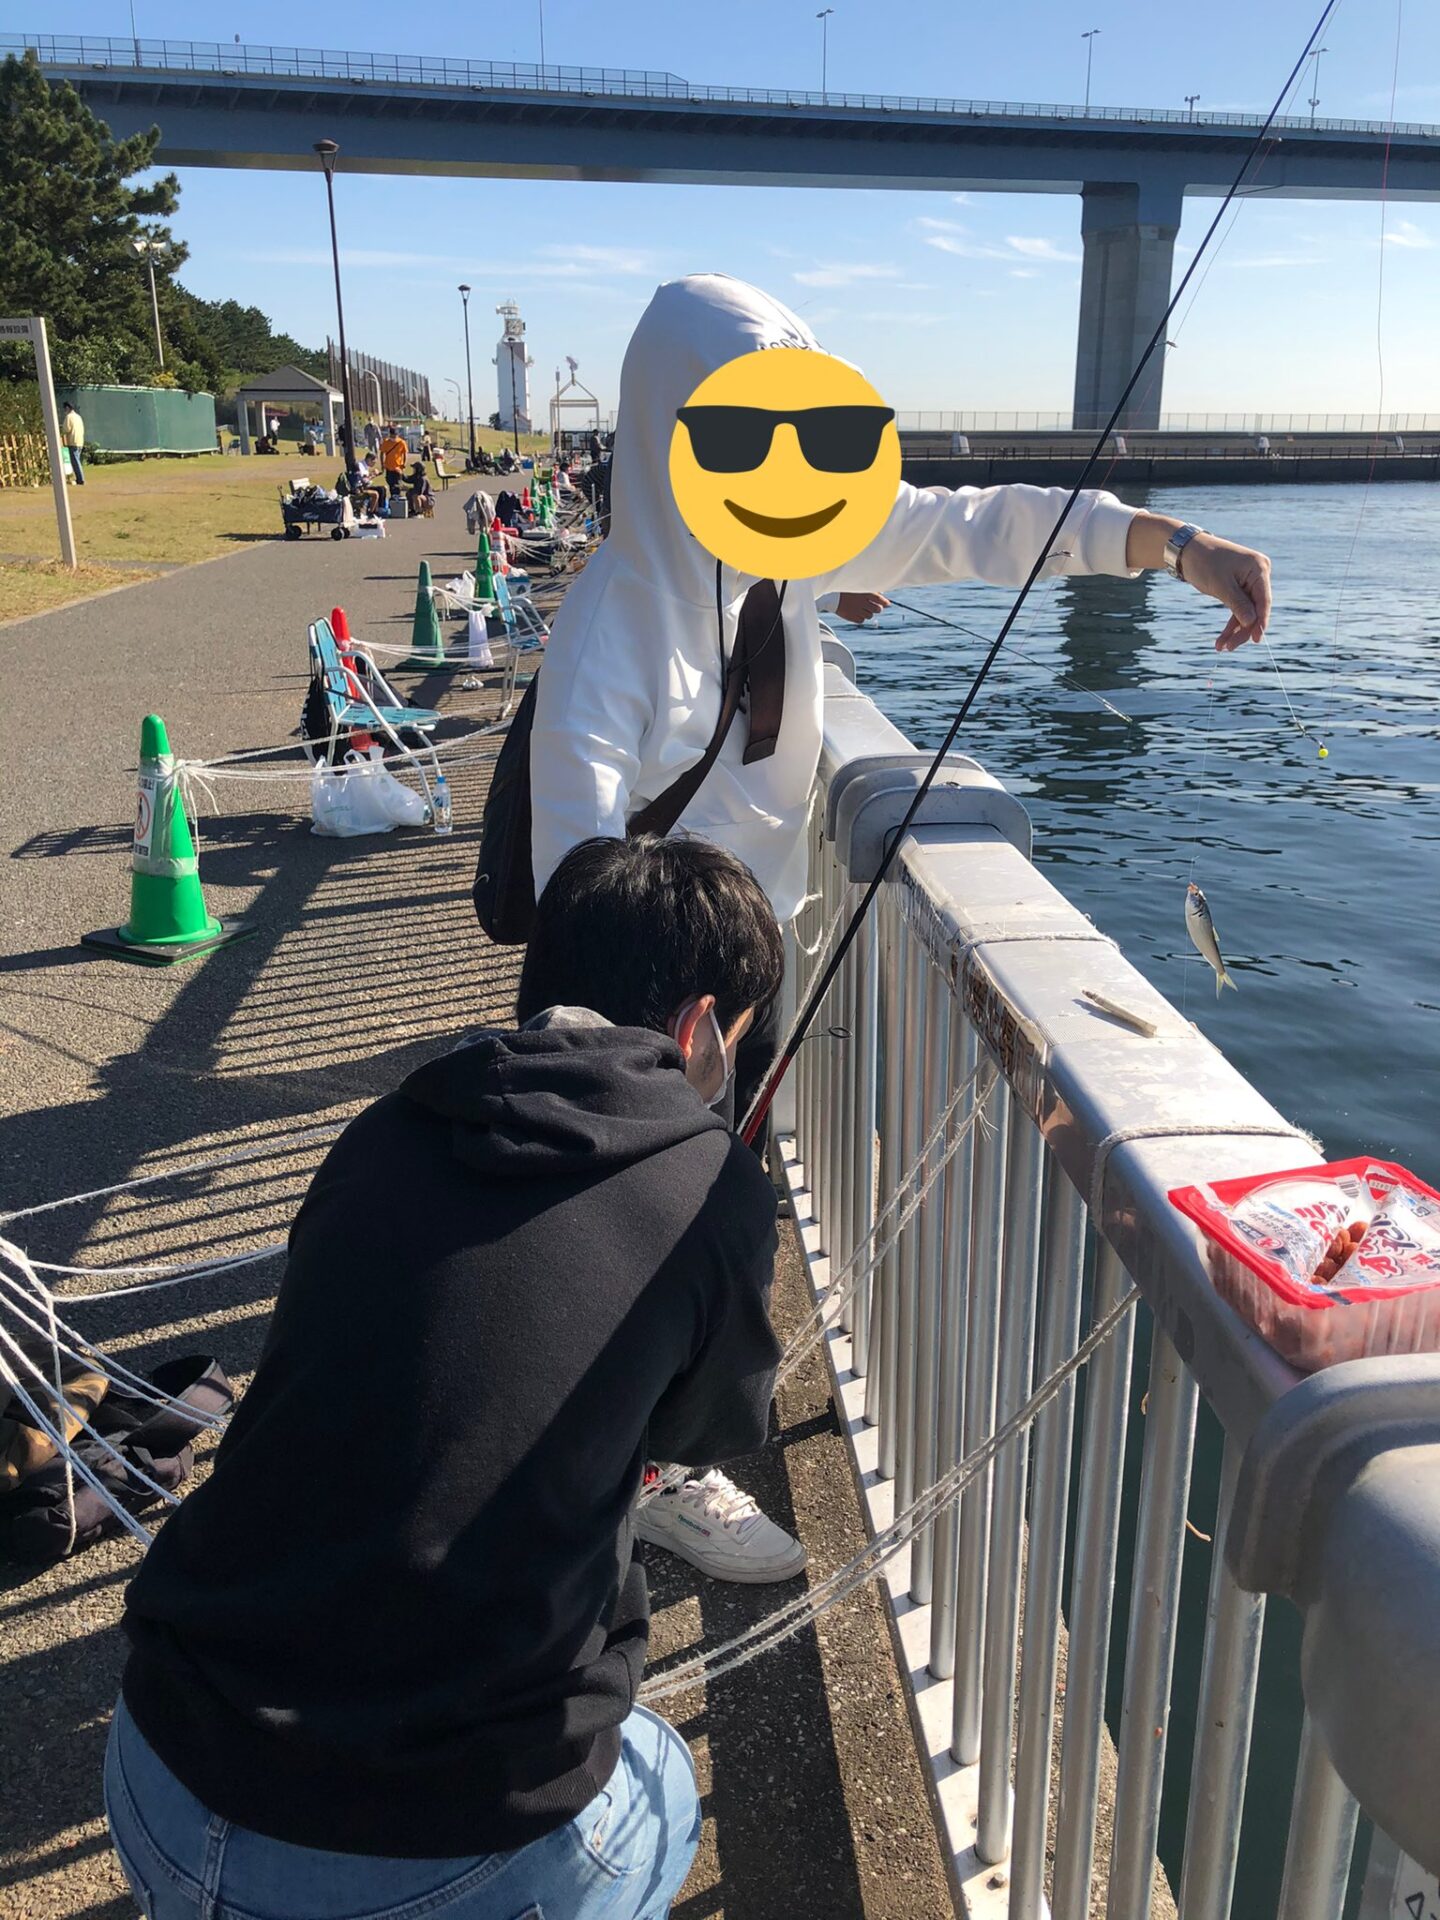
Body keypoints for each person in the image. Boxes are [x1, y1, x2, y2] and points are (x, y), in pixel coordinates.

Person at [527, 273, 1274, 1577]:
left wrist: (1173, 544)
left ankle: (634, 1450)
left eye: (802, 433)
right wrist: (645, 1053)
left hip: (752, 985)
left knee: (711, 1229)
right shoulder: (612, 621)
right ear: (668, 433)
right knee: (649, 1240)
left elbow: (978, 527)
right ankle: (624, 1476)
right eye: (738, 433)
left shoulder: (793, 542)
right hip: (649, 1012)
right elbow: (570, 881)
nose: (782, 465)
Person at [106, 834, 788, 1920]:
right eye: (740, 1041)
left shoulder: (389, 1126)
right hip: (437, 1856)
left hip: (160, 1770)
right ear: (703, 1029)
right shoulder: (715, 1195)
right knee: (660, 1777)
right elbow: (709, 1429)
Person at [380, 423, 409, 497]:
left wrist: (404, 463)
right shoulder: (386, 442)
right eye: (392, 435)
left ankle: (398, 497)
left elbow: (405, 453)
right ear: (390, 434)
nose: (394, 437)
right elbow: (382, 453)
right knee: (390, 483)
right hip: (389, 467)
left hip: (398, 467)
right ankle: (393, 497)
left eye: (395, 435)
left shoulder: (401, 442)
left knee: (397, 484)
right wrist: (382, 464)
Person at [61, 401, 86, 485]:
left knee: (75, 461)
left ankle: (80, 479)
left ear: (67, 408)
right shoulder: (78, 417)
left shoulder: (69, 417)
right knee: (77, 460)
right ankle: (79, 478)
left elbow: (66, 429)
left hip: (73, 441)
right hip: (80, 441)